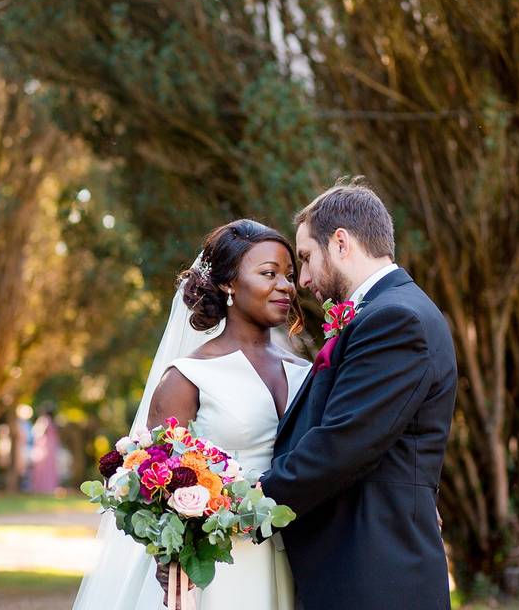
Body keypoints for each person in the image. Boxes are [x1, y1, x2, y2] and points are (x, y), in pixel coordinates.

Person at [74, 218, 310, 610]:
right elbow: (154, 484)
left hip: (300, 560)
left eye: (289, 275)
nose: (285, 286)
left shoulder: (306, 373)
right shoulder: (190, 377)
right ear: (228, 283)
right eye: (269, 273)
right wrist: (171, 562)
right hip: (221, 569)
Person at [259, 179, 457, 609]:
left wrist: (249, 501)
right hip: (361, 561)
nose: (304, 278)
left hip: (375, 569)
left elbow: (345, 443)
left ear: (342, 242)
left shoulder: (395, 319)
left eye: (308, 257)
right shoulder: (386, 311)